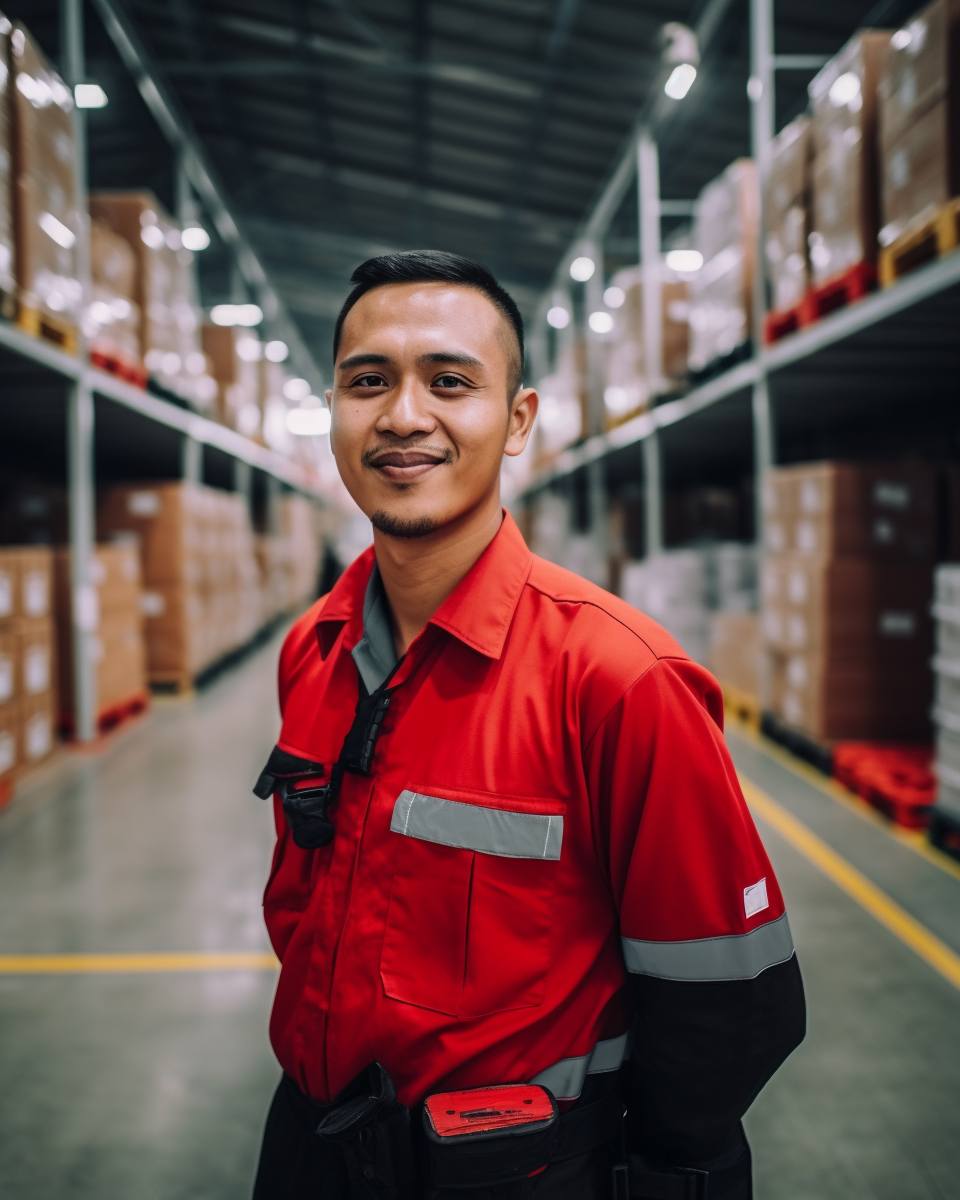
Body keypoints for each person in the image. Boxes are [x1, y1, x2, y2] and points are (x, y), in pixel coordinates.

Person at [252, 251, 805, 1200]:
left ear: (517, 421)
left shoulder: (618, 677)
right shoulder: (315, 647)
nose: (402, 416)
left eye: (450, 381)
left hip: (515, 1174)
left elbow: (733, 1000)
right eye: (367, 381)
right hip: (310, 1150)